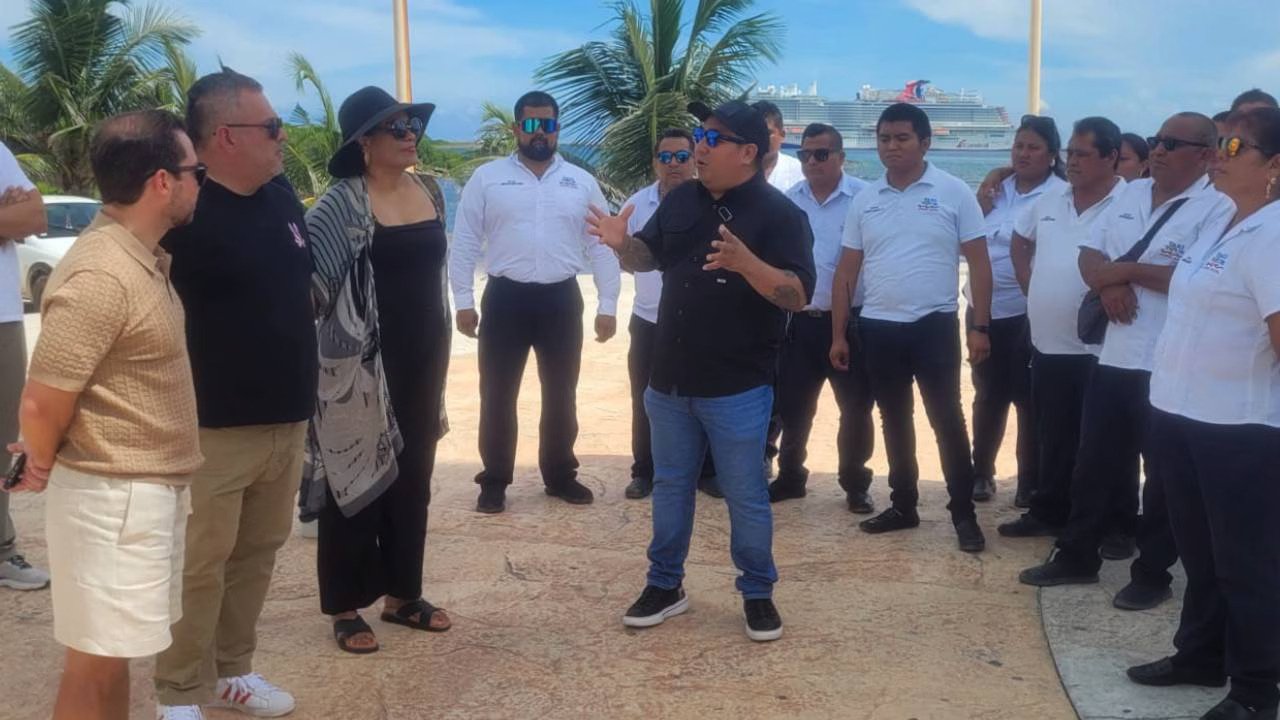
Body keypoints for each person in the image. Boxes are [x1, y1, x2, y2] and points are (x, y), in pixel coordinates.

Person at [588, 100, 815, 642]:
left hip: (737, 386)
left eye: (713, 138)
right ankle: (665, 585)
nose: (701, 146)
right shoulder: (682, 197)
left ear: (748, 153)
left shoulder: (782, 215)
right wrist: (623, 246)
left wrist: (747, 264)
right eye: (699, 135)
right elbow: (650, 257)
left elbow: (797, 295)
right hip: (668, 380)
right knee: (670, 488)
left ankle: (758, 592)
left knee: (744, 493)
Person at [9, 109, 202, 720]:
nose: (202, 182)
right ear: (162, 181)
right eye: (194, 170)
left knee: (112, 656)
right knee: (92, 666)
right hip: (111, 503)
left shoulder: (135, 257)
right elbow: (42, 399)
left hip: (136, 498)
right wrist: (38, 461)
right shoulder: (101, 272)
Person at [1019, 113, 1235, 613]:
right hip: (1113, 355)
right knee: (1093, 461)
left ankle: (1152, 573)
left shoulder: (1215, 208)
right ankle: (1076, 556)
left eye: (1172, 144)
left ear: (1204, 155)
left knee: (1161, 476)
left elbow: (1194, 274)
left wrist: (1126, 271)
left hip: (1168, 360)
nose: (1158, 150)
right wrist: (1110, 282)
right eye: (1157, 141)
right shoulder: (1132, 194)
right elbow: (1088, 255)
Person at [154, 68, 317, 719]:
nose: (283, 137)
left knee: (257, 554)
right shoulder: (181, 214)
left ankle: (233, 672)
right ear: (226, 136)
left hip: (286, 419)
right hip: (213, 427)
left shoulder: (281, 198)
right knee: (202, 563)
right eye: (272, 126)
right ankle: (178, 690)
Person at [1125, 107, 1280, 720]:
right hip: (1180, 416)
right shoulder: (1223, 220)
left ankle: (1255, 689)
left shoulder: (1274, 237)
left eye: (1235, 146)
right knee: (1200, 554)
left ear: (1275, 166)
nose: (1220, 153)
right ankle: (1198, 655)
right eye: (1219, 143)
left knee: (1247, 563)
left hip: (1238, 430)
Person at [303, 86, 453, 654]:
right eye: (396, 126)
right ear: (364, 141)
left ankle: (402, 595)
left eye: (413, 122)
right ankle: (345, 605)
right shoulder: (340, 203)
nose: (410, 132)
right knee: (354, 480)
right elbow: (311, 292)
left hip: (423, 357)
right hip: (357, 366)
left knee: (412, 479)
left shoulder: (430, 190)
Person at [830, 102, 992, 553]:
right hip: (879, 327)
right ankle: (904, 505)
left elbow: (979, 263)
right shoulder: (866, 199)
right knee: (894, 420)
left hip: (933, 325)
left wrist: (980, 324)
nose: (891, 147)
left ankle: (963, 513)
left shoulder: (953, 191)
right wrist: (839, 333)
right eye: (884, 139)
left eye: (902, 138)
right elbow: (846, 271)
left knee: (947, 420)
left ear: (925, 142)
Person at [449, 90, 620, 514]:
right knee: (497, 394)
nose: (539, 133)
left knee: (562, 394)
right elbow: (466, 241)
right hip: (505, 299)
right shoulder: (488, 178)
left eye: (547, 124)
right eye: (530, 125)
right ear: (516, 129)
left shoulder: (581, 182)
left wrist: (608, 304)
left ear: (557, 129)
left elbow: (600, 245)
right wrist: (463, 301)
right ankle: (494, 480)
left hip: (561, 300)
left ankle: (560, 475)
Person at [1000, 117, 1127, 538]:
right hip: (1049, 343)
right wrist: (1029, 283)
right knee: (1051, 435)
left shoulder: (1132, 203)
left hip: (1103, 348)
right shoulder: (1050, 200)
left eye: (1083, 154)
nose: (1072, 162)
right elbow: (1020, 240)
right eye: (1070, 153)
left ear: (1111, 158)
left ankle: (1114, 524)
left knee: (1105, 443)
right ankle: (1048, 511)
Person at [769, 123, 876, 513]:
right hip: (799, 321)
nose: (811, 161)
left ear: (841, 157)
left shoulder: (864, 198)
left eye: (821, 154)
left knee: (856, 407)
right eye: (805, 155)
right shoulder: (787, 201)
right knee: (794, 406)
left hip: (852, 322)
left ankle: (855, 483)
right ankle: (791, 477)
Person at [967, 115, 1067, 506]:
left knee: (1029, 401)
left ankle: (1029, 481)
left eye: (1033, 147)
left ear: (1051, 155)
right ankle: (981, 474)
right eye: (1019, 146)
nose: (1024, 154)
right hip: (983, 309)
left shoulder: (1060, 194)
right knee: (987, 394)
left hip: (1029, 312)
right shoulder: (995, 189)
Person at [623, 128, 699, 500]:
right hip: (650, 321)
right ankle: (645, 471)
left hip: (700, 323)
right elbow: (628, 264)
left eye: (682, 157)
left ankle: (708, 472)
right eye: (665, 157)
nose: (674, 165)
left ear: (695, 159)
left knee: (704, 400)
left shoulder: (712, 202)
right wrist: (620, 244)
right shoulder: (636, 205)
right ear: (655, 163)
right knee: (645, 400)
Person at [0, 140, 49, 591]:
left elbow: (33, 217)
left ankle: (1, 549)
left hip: (2, 319)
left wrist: (13, 216)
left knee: (2, 439)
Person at [752, 100, 805, 192]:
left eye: (767, 133)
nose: (761, 138)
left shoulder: (800, 171)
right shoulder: (732, 170)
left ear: (782, 135)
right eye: (755, 132)